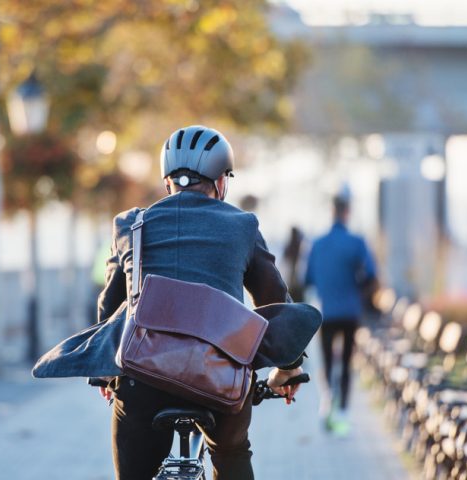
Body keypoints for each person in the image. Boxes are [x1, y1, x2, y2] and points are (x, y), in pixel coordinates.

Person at [96, 125, 304, 480]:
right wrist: (288, 369)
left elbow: (110, 307)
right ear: (222, 183)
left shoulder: (131, 224)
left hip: (143, 381)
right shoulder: (242, 226)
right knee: (232, 451)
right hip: (221, 380)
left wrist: (103, 372)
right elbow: (274, 303)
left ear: (167, 184)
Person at [304, 189, 377, 437]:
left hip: (326, 312)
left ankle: (326, 403)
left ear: (331, 211)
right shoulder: (357, 243)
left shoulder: (317, 244)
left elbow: (308, 278)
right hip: (350, 310)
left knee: (325, 361)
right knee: (346, 362)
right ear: (347, 213)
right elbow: (370, 275)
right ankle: (344, 411)